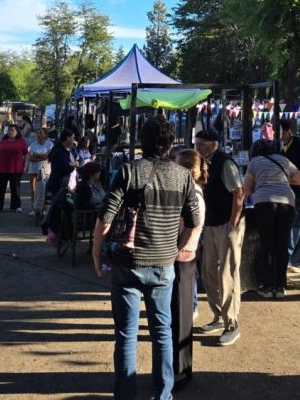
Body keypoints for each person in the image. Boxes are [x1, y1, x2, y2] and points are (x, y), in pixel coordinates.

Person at [92, 116, 200, 400]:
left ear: (143, 140)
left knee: (126, 335)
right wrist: (177, 249)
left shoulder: (128, 171)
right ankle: (163, 394)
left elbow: (105, 218)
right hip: (163, 264)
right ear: (171, 143)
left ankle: (125, 394)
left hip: (127, 263)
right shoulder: (183, 176)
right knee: (162, 332)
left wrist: (96, 254)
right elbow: (194, 221)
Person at [195, 128, 245, 346]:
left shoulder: (225, 163)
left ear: (214, 144)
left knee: (227, 273)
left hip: (226, 224)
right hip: (211, 223)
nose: (198, 148)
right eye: (196, 144)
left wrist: (232, 225)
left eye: (202, 144)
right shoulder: (203, 162)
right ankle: (218, 315)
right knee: (208, 271)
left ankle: (232, 323)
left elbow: (238, 194)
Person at [244, 140, 300, 298]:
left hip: (264, 203)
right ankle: (280, 286)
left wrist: (261, 184)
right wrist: (285, 181)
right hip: (287, 202)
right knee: (282, 244)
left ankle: (267, 286)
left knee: (268, 244)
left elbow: (247, 189)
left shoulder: (254, 162)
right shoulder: (283, 160)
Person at [171, 149, 207, 390]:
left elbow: (189, 228)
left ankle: (181, 371)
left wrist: (172, 250)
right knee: (176, 318)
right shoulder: (190, 191)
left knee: (181, 320)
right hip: (183, 257)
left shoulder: (192, 195)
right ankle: (178, 368)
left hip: (182, 259)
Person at [279, 118, 300, 273]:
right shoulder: (281, 146)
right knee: (294, 225)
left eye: (279, 132)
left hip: (297, 191)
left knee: (296, 225)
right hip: (286, 192)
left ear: (287, 131)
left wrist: (292, 180)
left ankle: (295, 260)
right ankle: (296, 260)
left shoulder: (297, 146)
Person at [0, 124, 28, 213]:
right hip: (2, 168)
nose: (10, 132)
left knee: (15, 189)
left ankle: (16, 206)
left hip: (16, 168)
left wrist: (25, 165)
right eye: (9, 130)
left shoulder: (21, 141)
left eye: (13, 130)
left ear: (17, 131)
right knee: (0, 189)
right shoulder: (3, 140)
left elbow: (26, 154)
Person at [26, 128, 54, 213]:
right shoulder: (32, 145)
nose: (39, 135)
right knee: (34, 190)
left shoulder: (50, 144)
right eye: (38, 133)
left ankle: (44, 208)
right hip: (34, 169)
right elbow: (30, 158)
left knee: (45, 189)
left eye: (41, 133)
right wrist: (42, 157)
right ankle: (34, 208)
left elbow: (48, 155)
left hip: (46, 170)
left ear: (45, 135)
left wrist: (36, 155)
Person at [46, 129, 79, 196]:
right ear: (67, 138)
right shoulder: (58, 151)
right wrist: (73, 165)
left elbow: (77, 159)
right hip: (60, 185)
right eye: (73, 137)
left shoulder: (71, 149)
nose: (73, 140)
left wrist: (75, 163)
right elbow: (62, 167)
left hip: (71, 183)